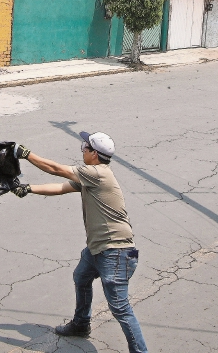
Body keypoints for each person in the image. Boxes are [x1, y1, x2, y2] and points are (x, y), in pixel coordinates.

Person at [12, 132, 148, 353]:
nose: (82, 150)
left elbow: (56, 169)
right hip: (98, 249)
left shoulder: (97, 173)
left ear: (95, 154)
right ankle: (81, 324)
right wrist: (28, 189)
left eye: (85, 147)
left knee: (121, 308)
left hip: (115, 252)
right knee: (81, 277)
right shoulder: (91, 177)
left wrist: (26, 154)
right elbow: (61, 187)